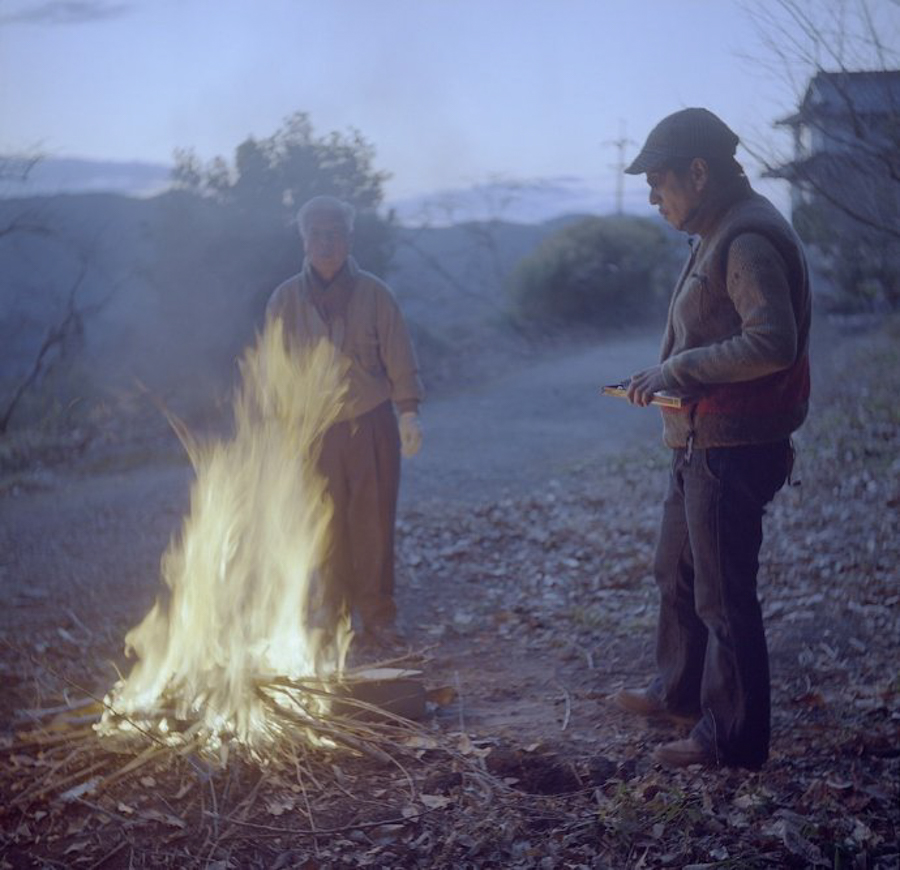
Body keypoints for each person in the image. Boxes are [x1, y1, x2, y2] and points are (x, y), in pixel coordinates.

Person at [613, 108, 812, 770]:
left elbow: (772, 342)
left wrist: (676, 369)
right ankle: (680, 692)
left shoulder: (747, 237)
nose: (652, 196)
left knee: (723, 597)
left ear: (699, 173)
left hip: (731, 446)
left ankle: (731, 740)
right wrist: (671, 380)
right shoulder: (714, 229)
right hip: (698, 440)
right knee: (675, 568)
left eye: (659, 180)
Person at [265, 195, 424, 648]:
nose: (326, 242)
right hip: (311, 428)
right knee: (322, 522)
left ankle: (377, 615)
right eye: (316, 233)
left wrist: (408, 411)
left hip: (370, 421)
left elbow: (399, 355)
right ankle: (330, 615)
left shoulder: (375, 294)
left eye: (335, 233)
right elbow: (274, 372)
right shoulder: (284, 300)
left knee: (372, 522)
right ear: (303, 239)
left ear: (350, 238)